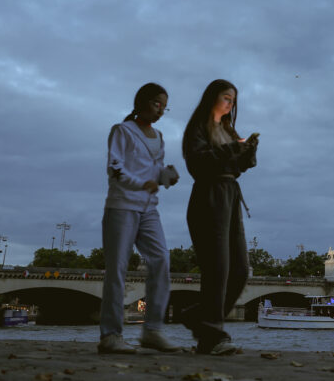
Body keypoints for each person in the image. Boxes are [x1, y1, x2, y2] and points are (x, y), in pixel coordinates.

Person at [98, 83, 181, 354]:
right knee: (117, 269)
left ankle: (153, 330)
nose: (161, 110)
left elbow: (154, 172)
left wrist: (166, 176)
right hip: (122, 206)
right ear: (142, 102)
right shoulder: (122, 131)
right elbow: (115, 168)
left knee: (161, 261)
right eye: (157, 103)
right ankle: (111, 335)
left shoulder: (159, 136)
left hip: (149, 209)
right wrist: (141, 183)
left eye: (164, 106)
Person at [179, 79, 259, 355]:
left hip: (230, 195)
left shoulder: (227, 129)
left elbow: (235, 166)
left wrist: (248, 153)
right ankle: (212, 335)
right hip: (208, 196)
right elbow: (198, 162)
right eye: (226, 97)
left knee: (239, 270)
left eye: (233, 100)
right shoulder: (198, 128)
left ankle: (197, 318)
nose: (230, 104)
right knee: (217, 270)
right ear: (212, 98)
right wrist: (232, 149)